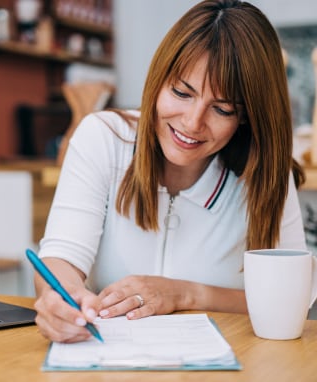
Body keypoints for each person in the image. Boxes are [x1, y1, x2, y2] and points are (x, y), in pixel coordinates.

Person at [32, 0, 307, 343]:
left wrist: (184, 294)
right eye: (181, 92)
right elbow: (62, 258)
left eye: (221, 109)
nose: (192, 123)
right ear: (158, 80)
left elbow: (292, 300)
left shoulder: (265, 174)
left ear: (246, 116)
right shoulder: (103, 138)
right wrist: (60, 298)